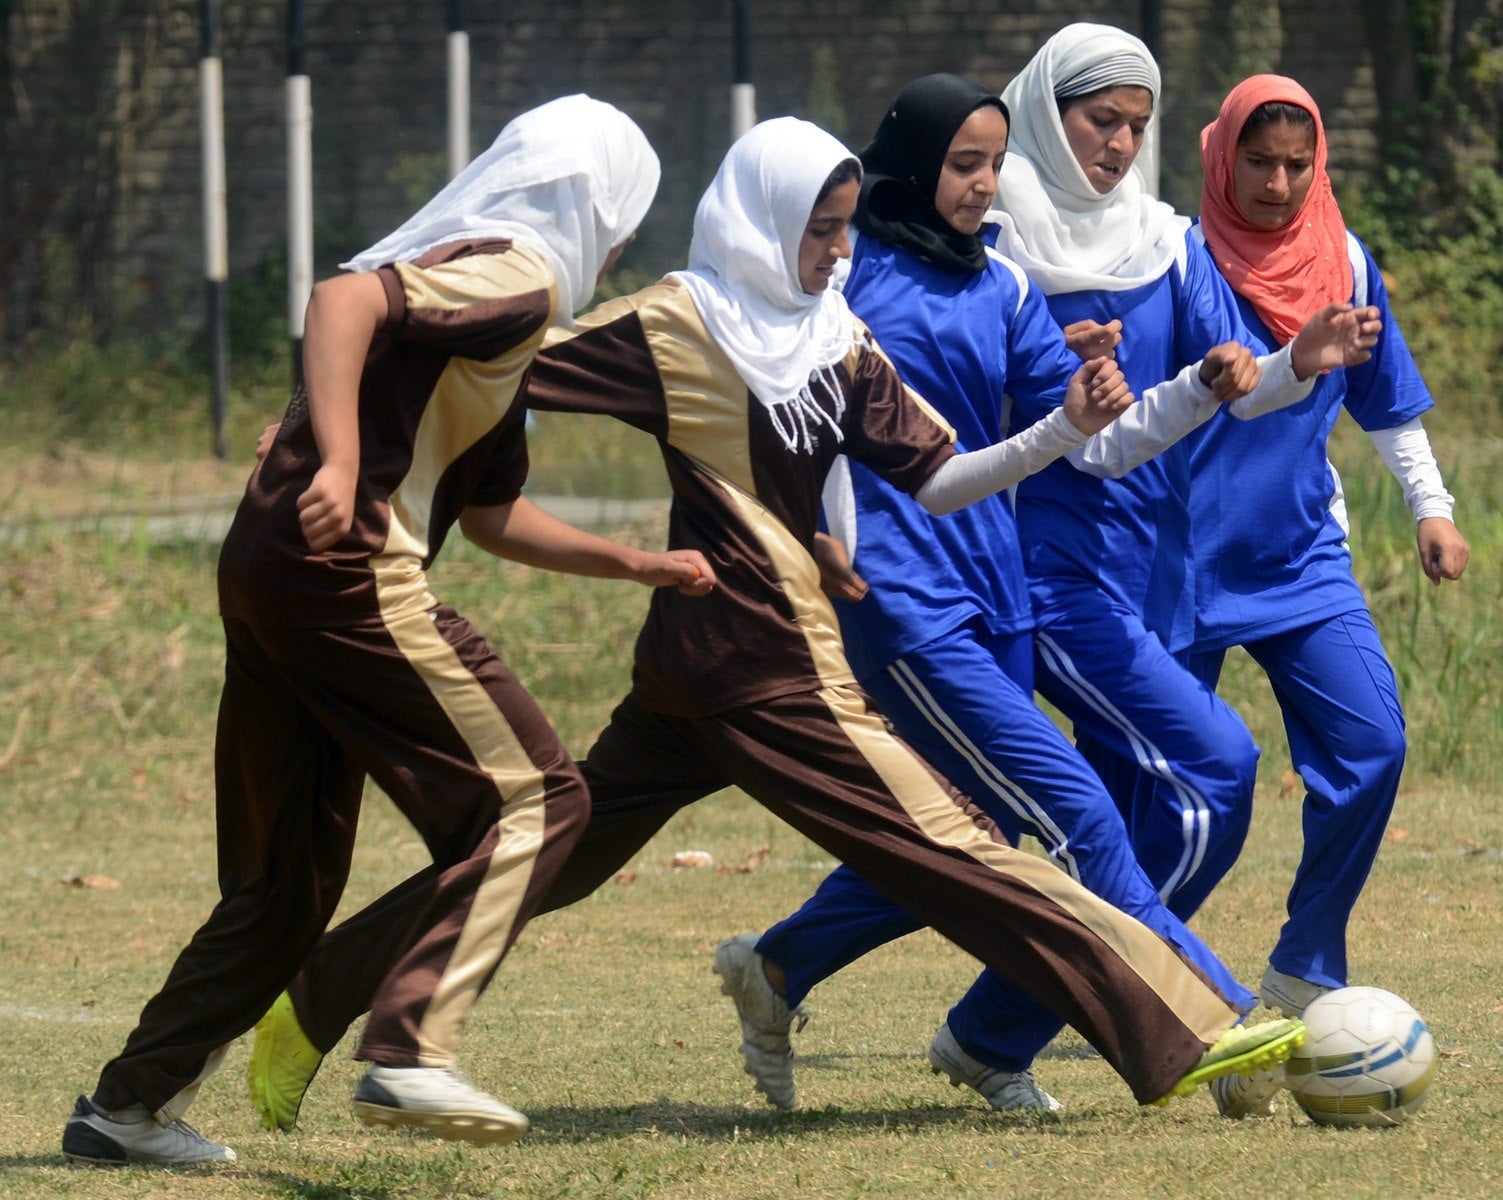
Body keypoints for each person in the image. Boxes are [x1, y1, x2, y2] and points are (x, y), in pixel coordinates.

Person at [244, 114, 1308, 1132]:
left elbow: (942, 478)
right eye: (819, 227)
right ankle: (1186, 1028)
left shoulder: (838, 339)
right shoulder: (672, 322)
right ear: (762, 216)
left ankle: (314, 996)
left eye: (847, 225)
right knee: (968, 851)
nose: (837, 248)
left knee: (553, 858)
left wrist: (1058, 429)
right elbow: (499, 356)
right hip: (771, 672)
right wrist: (328, 427)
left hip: (693, 669)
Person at [59, 94, 714, 1167]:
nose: (625, 239)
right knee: (543, 801)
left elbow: (494, 512)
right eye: (628, 215)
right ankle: (407, 1041)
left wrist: (635, 561)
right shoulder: (521, 272)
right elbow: (341, 300)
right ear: (597, 199)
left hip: (273, 569)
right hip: (345, 576)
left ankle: (124, 1109)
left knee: (287, 884)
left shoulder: (501, 305)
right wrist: (339, 460)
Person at [715, 74, 1380, 1114]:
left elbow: (1101, 447)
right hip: (904, 602)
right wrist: (805, 540)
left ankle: (783, 966)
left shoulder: (1003, 286)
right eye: (965, 166)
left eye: (993, 166)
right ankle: (1205, 1010)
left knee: (973, 827)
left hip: (997, 599)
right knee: (1082, 810)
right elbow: (772, 422)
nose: (985, 186)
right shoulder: (847, 283)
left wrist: (1193, 389)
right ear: (917, 162)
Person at [1184, 74, 1469, 1115]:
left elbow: (1386, 396)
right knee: (1164, 807)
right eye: (1258, 161)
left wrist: (1430, 507)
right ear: (1222, 156)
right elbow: (1218, 398)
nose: (1277, 181)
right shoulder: (1177, 257)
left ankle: (1304, 966)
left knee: (1374, 745)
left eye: (1298, 163)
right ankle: (1115, 997)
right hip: (1175, 566)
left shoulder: (1344, 258)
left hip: (1300, 558)